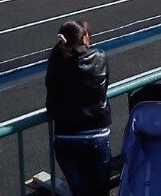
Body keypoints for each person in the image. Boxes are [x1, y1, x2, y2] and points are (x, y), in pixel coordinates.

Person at [45, 20, 111, 196]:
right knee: (100, 190)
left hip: (67, 138)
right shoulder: (99, 57)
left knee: (80, 191)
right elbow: (103, 89)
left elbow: (51, 101)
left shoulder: (55, 64)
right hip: (97, 134)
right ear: (85, 38)